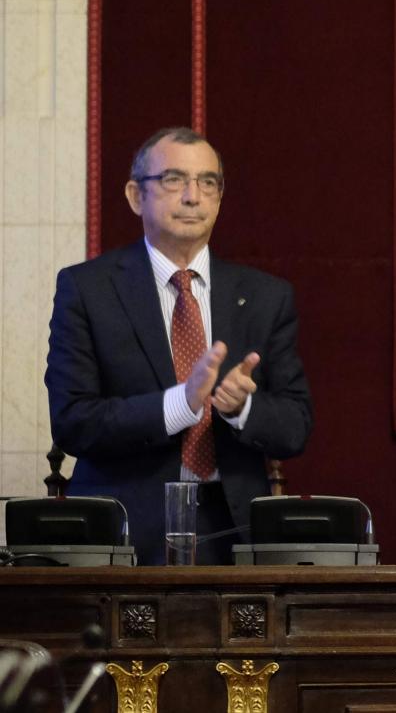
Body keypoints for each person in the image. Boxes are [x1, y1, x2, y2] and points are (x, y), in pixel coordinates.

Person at [45, 127, 313, 566]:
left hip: (235, 535)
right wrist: (180, 404)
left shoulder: (266, 296)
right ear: (135, 196)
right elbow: (73, 421)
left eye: (208, 183)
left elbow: (296, 425)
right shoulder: (88, 289)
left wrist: (241, 409)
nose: (193, 196)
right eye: (173, 180)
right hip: (124, 533)